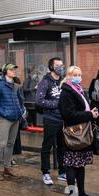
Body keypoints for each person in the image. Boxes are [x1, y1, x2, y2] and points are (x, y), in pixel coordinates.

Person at [59, 66, 98, 196]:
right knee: (71, 165)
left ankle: (82, 193)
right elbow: (68, 115)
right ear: (69, 76)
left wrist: (92, 112)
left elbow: (83, 108)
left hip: (83, 131)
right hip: (73, 133)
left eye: (80, 74)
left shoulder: (79, 89)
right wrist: (89, 115)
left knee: (81, 165)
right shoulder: (66, 92)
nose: (78, 77)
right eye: (75, 74)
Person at [0, 63, 25, 180]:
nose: (14, 71)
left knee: (10, 144)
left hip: (15, 118)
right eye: (11, 69)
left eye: (14, 69)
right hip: (5, 119)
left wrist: (20, 111)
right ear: (6, 72)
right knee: (2, 144)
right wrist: (4, 113)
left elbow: (20, 100)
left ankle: (7, 168)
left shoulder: (15, 86)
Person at [35, 57, 67, 185]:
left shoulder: (64, 82)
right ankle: (45, 173)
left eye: (62, 65)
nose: (61, 67)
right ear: (52, 67)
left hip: (62, 119)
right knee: (47, 146)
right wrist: (57, 104)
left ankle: (62, 172)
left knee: (62, 146)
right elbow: (39, 100)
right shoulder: (45, 82)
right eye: (58, 65)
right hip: (50, 119)